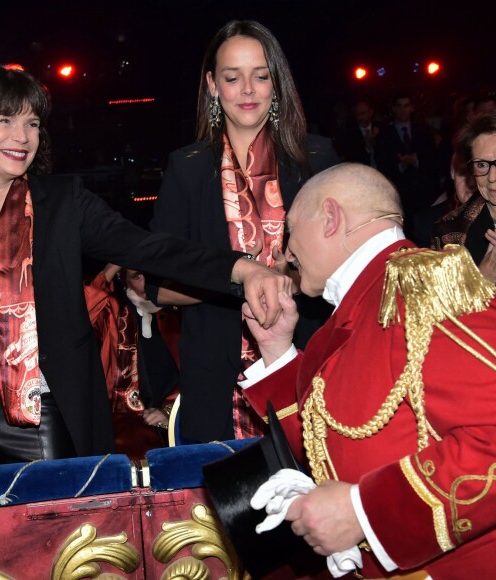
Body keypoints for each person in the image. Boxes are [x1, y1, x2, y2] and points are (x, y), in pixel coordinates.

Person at [0, 64, 290, 469]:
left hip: (44, 413)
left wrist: (242, 269)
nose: (21, 137)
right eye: (5, 120)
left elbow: (151, 248)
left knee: (58, 529)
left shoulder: (63, 204)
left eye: (32, 123)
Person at [238, 163, 496, 578]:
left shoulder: (429, 284)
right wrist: (276, 351)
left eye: (290, 230)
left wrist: (365, 510)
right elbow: (332, 443)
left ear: (330, 217)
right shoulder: (349, 315)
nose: (285, 252)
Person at [147, 20, 339, 443]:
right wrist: (248, 279)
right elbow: (157, 285)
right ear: (213, 85)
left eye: (260, 76)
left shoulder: (315, 156)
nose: (247, 90)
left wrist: (254, 279)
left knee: (312, 497)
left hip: (309, 359)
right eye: (233, 78)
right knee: (228, 504)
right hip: (216, 369)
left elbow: (342, 266)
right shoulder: (189, 166)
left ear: (277, 83)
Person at [432, 109, 496, 357]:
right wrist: (486, 275)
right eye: (482, 165)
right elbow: (438, 321)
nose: (493, 176)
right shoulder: (451, 232)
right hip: (488, 372)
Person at [84, 264, 179, 457]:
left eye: (149, 274)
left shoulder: (180, 308)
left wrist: (169, 412)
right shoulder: (112, 311)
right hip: (125, 419)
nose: (146, 283)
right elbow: (81, 311)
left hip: (179, 412)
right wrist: (117, 261)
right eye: (136, 276)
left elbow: (199, 375)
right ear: (123, 279)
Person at [375, 93, 442, 236]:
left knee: (427, 231)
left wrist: (416, 161)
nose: (402, 110)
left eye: (406, 106)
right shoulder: (385, 134)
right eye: (399, 106)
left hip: (424, 193)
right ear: (393, 108)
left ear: (411, 108)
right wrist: (401, 165)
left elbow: (433, 160)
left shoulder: (423, 130)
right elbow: (382, 164)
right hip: (400, 193)